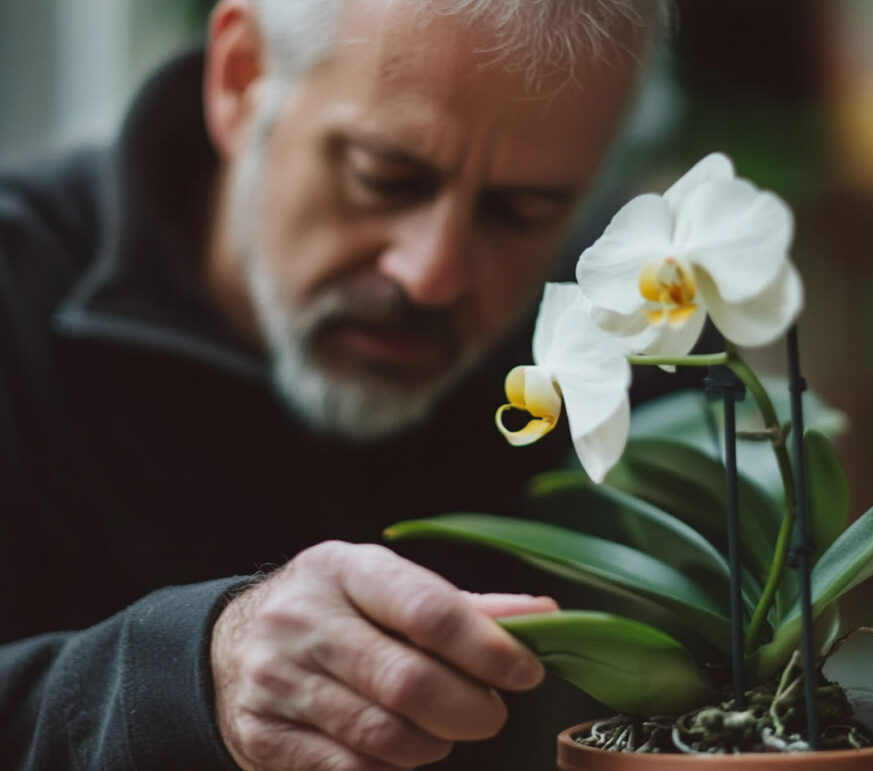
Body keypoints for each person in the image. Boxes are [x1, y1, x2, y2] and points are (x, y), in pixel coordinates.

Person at [0, 0, 671, 768]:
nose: (431, 275)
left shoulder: (618, 357)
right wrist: (186, 677)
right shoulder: (16, 302)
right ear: (241, 79)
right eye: (384, 177)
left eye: (518, 214)